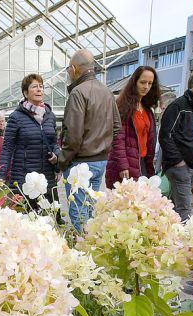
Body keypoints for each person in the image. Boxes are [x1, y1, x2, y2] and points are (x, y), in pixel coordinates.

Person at [59, 49, 121, 230]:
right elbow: (116, 126)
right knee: (90, 209)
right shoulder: (107, 92)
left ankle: (82, 251)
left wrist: (62, 161)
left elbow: (73, 135)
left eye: (68, 70)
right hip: (100, 160)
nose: (68, 74)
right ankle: (92, 247)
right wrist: (103, 144)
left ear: (74, 68)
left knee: (78, 212)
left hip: (80, 162)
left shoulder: (78, 92)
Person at [159, 68, 193, 220]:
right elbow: (165, 135)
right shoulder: (178, 106)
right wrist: (178, 162)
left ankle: (164, 231)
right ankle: (185, 240)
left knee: (173, 204)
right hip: (181, 167)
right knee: (184, 208)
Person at [0, 73, 60, 208]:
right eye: (34, 87)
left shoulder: (50, 116)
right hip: (23, 177)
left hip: (46, 177)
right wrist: (1, 175)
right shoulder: (16, 117)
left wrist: (57, 157)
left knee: (49, 217)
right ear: (26, 93)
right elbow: (7, 148)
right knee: (26, 218)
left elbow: (54, 143)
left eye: (41, 86)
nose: (39, 89)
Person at [107, 65, 161, 188]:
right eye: (142, 82)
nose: (146, 86)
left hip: (143, 164)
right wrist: (123, 165)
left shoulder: (147, 110)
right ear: (134, 82)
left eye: (150, 83)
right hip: (125, 165)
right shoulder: (122, 107)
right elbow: (117, 138)